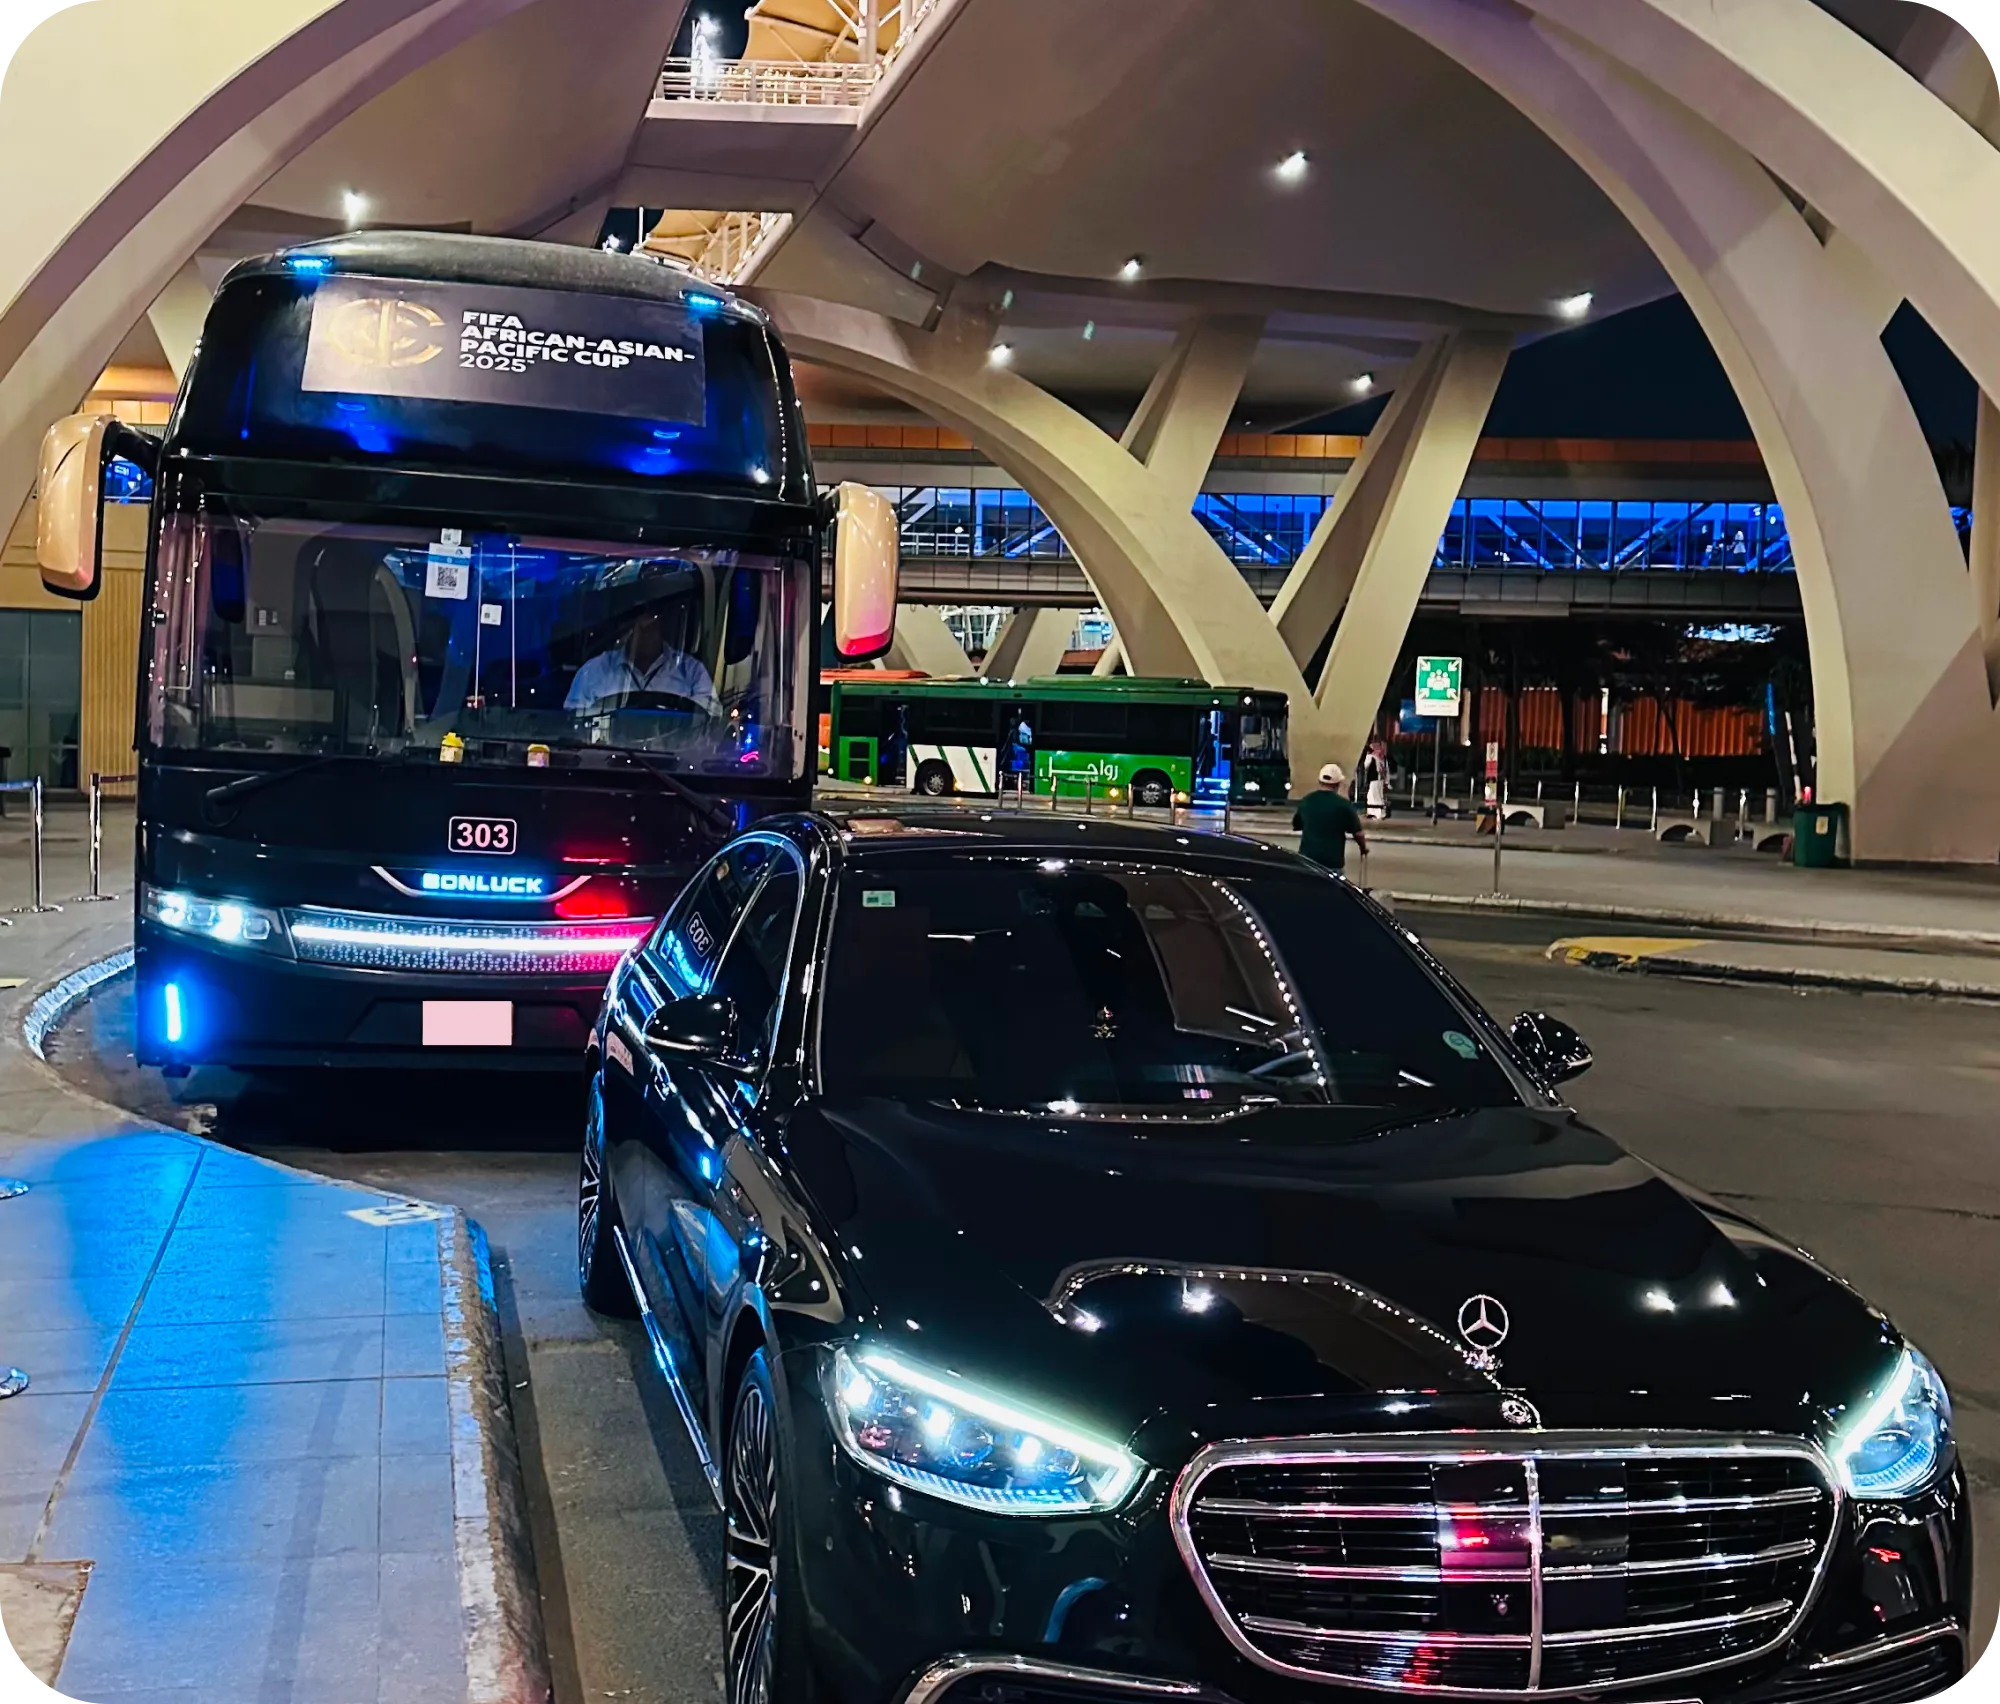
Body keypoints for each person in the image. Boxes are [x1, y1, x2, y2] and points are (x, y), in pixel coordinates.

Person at [566, 608, 717, 711]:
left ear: (662, 628)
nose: (645, 635)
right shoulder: (593, 671)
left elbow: (711, 721)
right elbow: (572, 724)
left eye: (651, 628)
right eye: (640, 629)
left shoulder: (692, 672)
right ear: (629, 629)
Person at [1293, 762, 1369, 874]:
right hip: (1332, 862)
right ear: (1337, 784)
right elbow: (1358, 834)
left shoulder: (1307, 801)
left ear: (1319, 782)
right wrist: (1363, 848)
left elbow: (1297, 824)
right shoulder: (1343, 805)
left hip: (1307, 860)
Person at [1362, 739, 1390, 819]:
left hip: (1377, 780)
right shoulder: (1376, 757)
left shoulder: (1379, 758)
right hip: (1376, 780)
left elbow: (1386, 770)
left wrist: (1387, 782)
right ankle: (1373, 812)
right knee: (1372, 795)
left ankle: (1378, 813)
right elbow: (1366, 766)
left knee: (1376, 796)